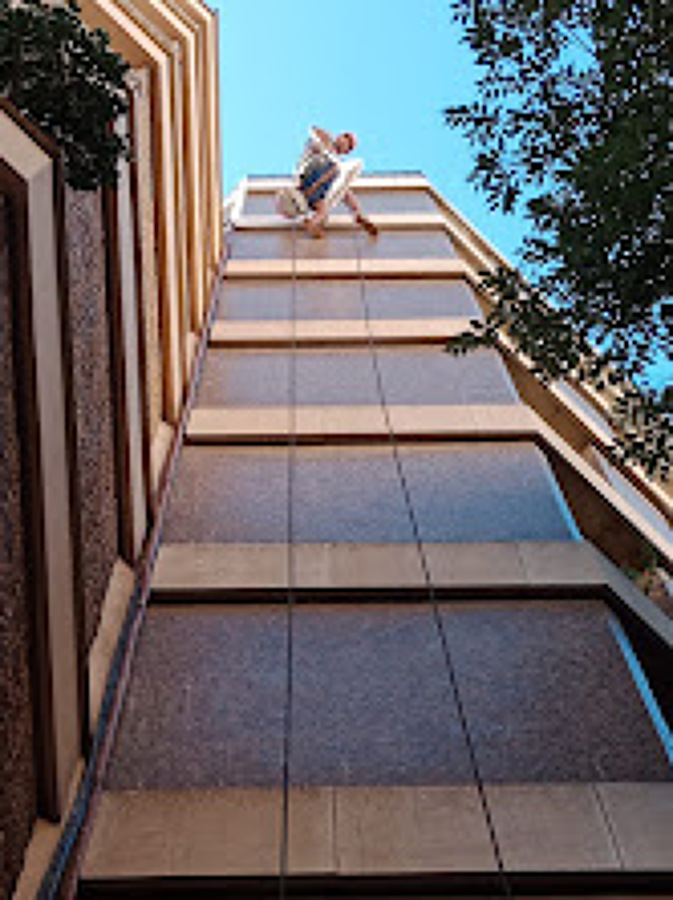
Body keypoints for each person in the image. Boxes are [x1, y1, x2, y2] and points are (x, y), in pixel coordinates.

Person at [296, 126, 378, 239]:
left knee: (329, 205)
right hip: (308, 179)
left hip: (316, 193)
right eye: (346, 141)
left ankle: (313, 223)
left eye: (348, 147)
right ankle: (356, 214)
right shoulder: (325, 144)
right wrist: (327, 140)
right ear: (339, 137)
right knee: (336, 170)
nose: (346, 146)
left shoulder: (337, 162)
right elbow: (314, 130)